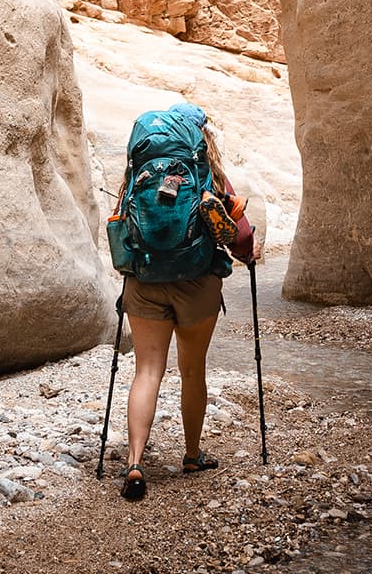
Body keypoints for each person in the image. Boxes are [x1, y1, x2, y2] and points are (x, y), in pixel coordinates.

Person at [118, 103, 255, 501]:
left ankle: (135, 462)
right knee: (192, 372)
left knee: (147, 372)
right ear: (200, 137)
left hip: (144, 281)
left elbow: (121, 225)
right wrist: (247, 254)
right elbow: (240, 235)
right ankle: (192, 455)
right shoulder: (206, 172)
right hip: (197, 284)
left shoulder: (138, 171)